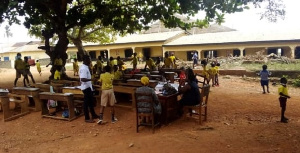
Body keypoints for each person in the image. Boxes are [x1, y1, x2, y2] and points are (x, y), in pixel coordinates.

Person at [79, 55, 99, 123]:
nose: (90, 61)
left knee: (91, 102)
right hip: (85, 88)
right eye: (89, 59)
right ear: (85, 60)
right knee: (86, 103)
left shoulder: (86, 67)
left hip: (88, 87)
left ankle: (93, 114)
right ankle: (87, 118)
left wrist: (91, 84)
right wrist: (92, 79)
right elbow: (83, 79)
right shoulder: (84, 68)